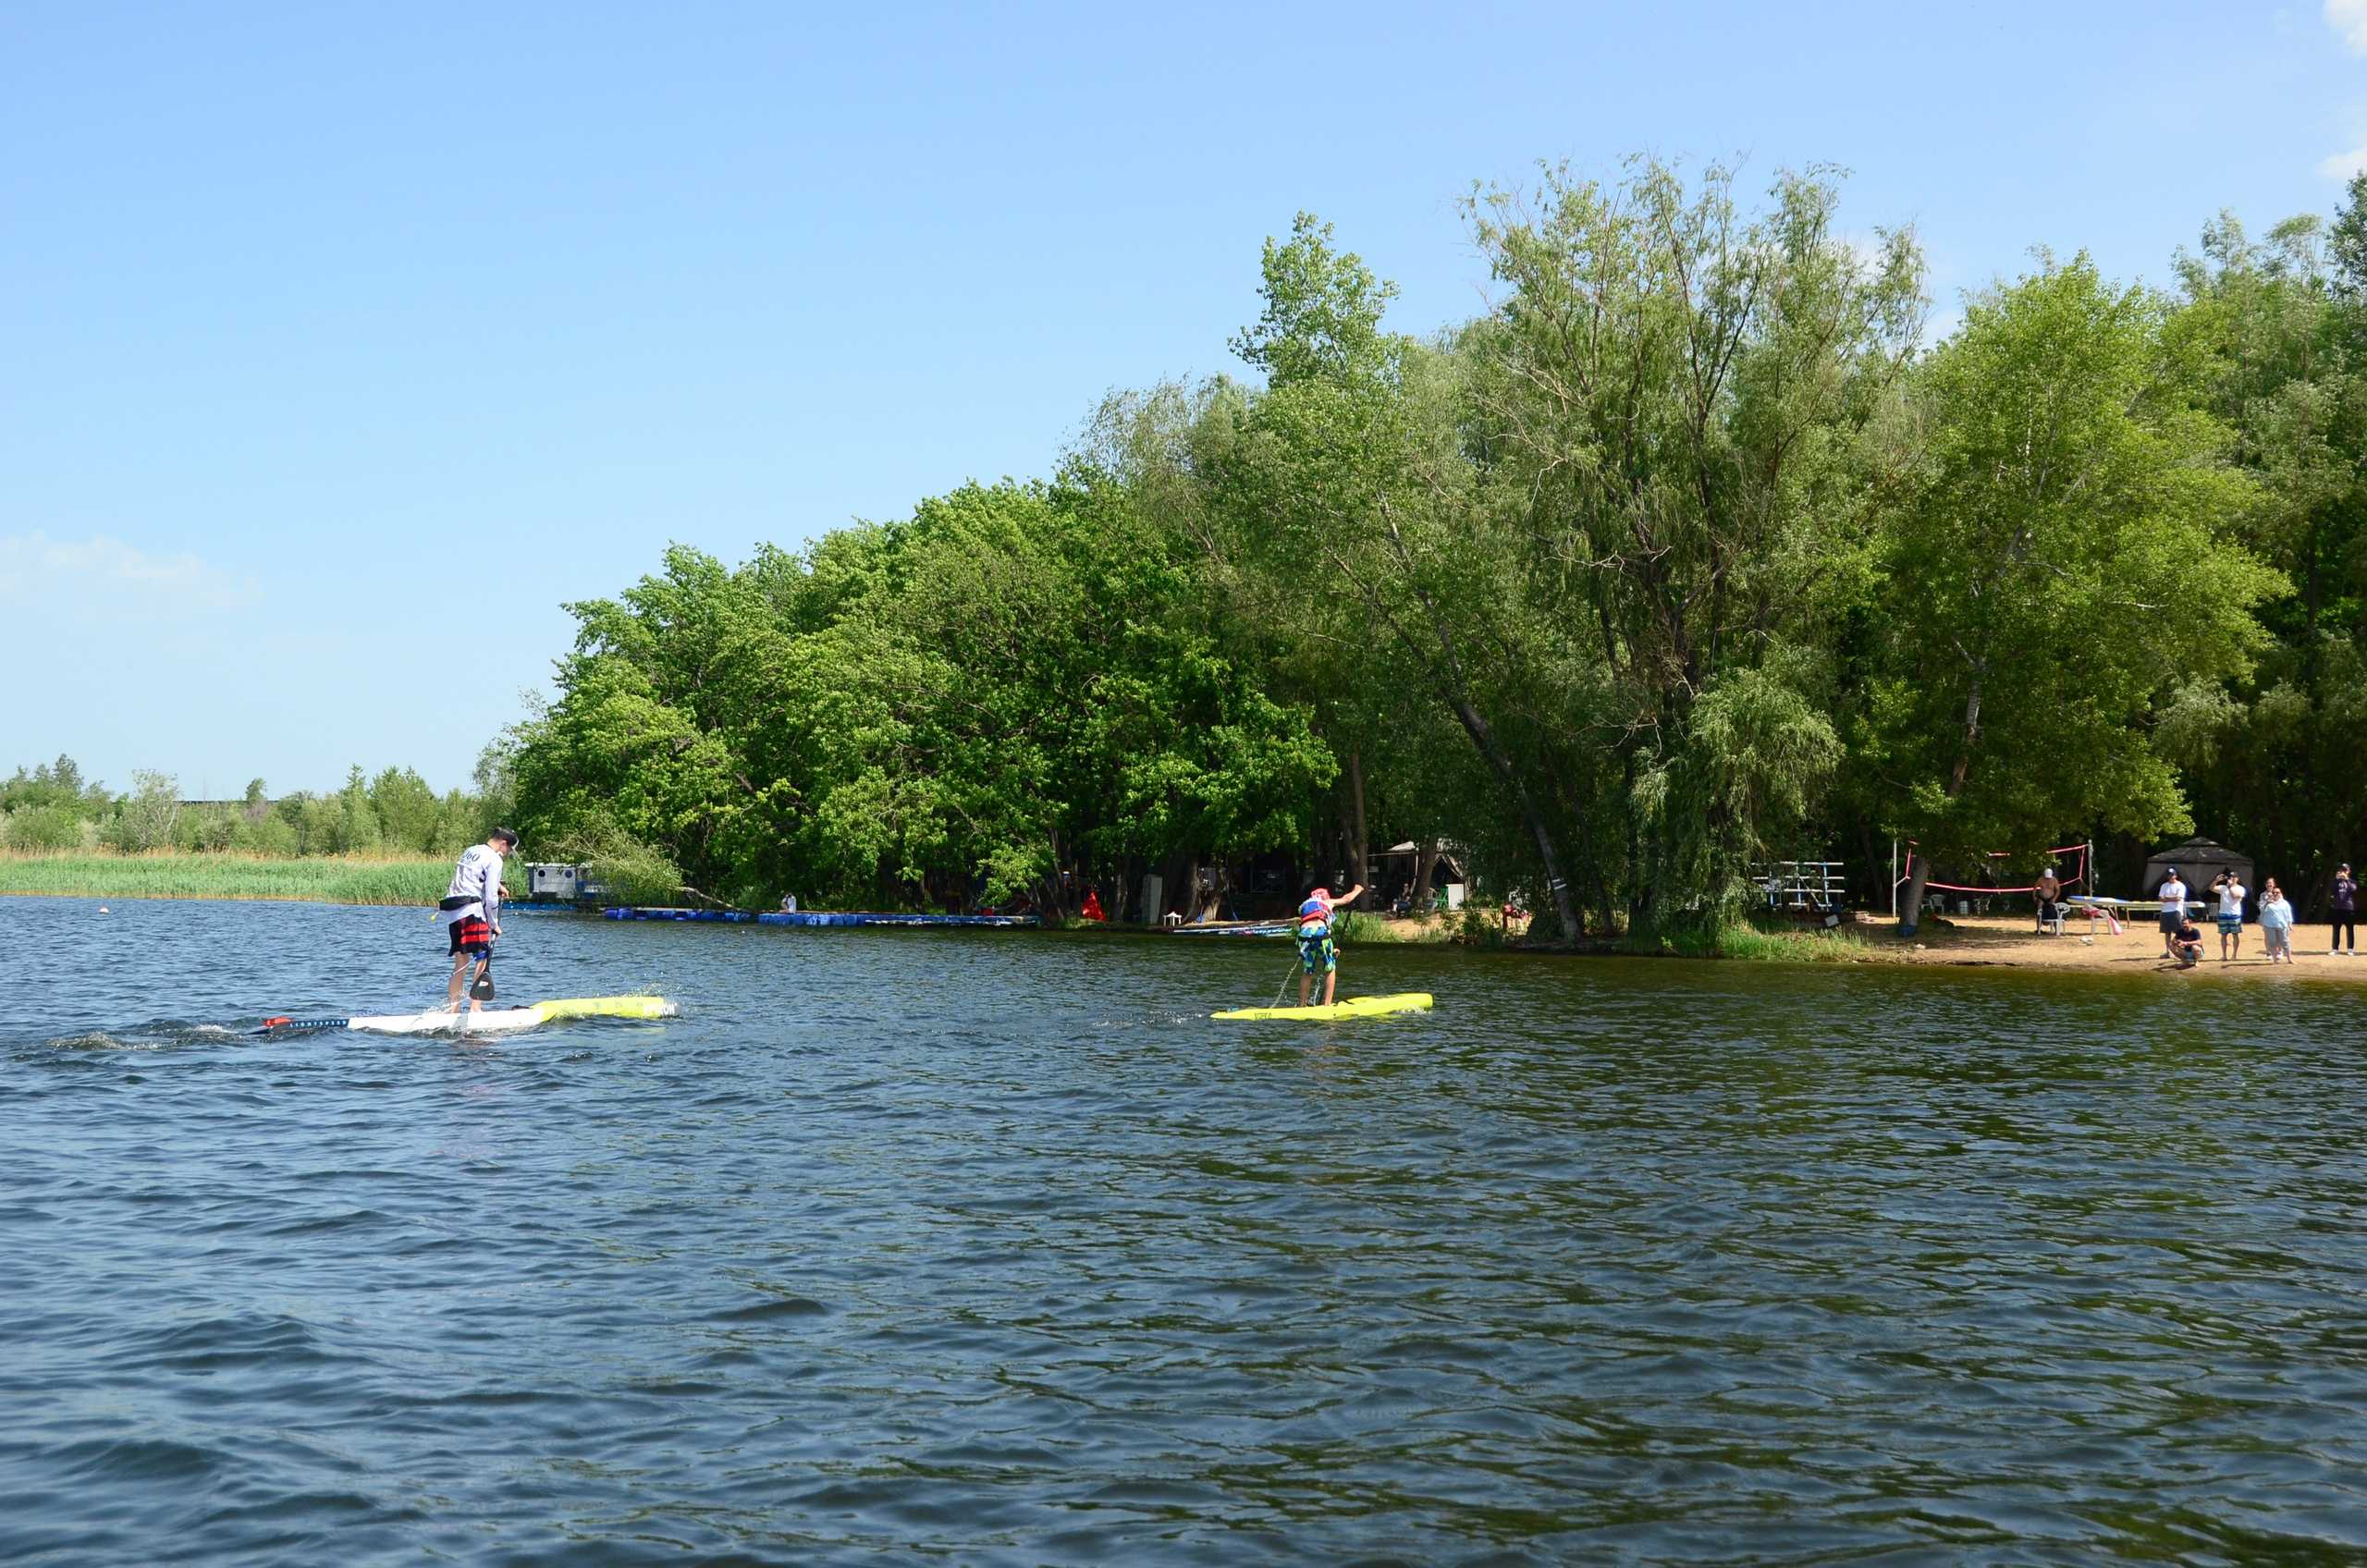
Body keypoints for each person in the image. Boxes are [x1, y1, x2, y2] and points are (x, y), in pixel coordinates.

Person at [440, 828, 517, 1013]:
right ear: (503, 844)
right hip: (472, 912)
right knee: (482, 957)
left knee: (461, 963)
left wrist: (498, 885)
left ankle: (453, 1010)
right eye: (508, 851)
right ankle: (476, 1008)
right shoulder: (495, 859)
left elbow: (473, 875)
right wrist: (493, 925)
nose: (507, 855)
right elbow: (491, 899)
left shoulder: (472, 850)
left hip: (454, 911)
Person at [1294, 879, 1365, 1008]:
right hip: (1321, 933)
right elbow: (1346, 899)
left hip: (1304, 935)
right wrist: (1357, 890)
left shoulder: (1304, 905)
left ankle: (1302, 1005)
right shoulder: (1326, 902)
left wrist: (1331, 950)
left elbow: (1311, 925)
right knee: (1330, 967)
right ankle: (1327, 1005)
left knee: (1308, 971)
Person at [2155, 866, 2189, 962]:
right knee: (2167, 932)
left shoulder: (2180, 886)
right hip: (2165, 911)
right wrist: (2171, 898)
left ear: (2176, 875)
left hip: (2176, 911)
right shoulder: (2164, 886)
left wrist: (2167, 898)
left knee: (2178, 932)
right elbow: (2160, 898)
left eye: (2172, 875)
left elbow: (2178, 898)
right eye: (2169, 875)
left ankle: (2180, 951)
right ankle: (2169, 951)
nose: (2170, 876)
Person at [2214, 869, 2247, 962]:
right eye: (2230, 877)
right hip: (2223, 913)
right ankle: (2224, 955)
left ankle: (2234, 955)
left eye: (2233, 877)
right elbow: (2211, 888)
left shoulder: (2240, 888)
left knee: (2235, 935)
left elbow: (2235, 896)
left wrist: (2230, 887)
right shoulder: (2223, 887)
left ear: (2237, 878)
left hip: (2234, 914)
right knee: (2223, 935)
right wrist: (2216, 880)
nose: (2231, 879)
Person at [2259, 877, 2295, 964]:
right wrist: (2267, 902)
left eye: (2277, 893)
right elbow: (2261, 909)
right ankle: (2274, 960)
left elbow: (2288, 913)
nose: (2275, 894)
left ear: (2280, 894)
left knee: (2285, 941)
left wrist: (2290, 923)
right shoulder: (2266, 899)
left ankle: (2289, 959)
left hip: (2282, 924)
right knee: (2272, 942)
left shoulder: (2284, 902)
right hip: (2269, 924)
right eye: (2274, 893)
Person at [2332, 863, 2357, 956]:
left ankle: (2350, 949)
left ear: (2348, 871)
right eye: (2341, 870)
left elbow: (2353, 889)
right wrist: (2336, 879)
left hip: (2349, 908)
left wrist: (2346, 879)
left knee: (2350, 929)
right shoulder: (2336, 881)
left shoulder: (2352, 881)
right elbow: (2331, 888)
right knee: (2336, 929)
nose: (2343, 872)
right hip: (2337, 908)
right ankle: (2335, 949)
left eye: (2345, 870)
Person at [2033, 864, 2064, 933]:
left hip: (2051, 898)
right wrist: (2034, 897)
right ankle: (2038, 929)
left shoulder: (2054, 880)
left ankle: (2056, 930)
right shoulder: (2041, 879)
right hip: (2041, 898)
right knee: (2039, 912)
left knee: (2053, 913)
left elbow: (2058, 890)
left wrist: (2055, 898)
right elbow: (2035, 888)